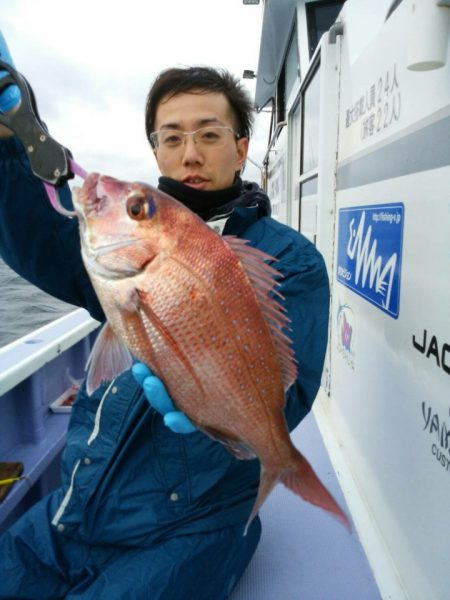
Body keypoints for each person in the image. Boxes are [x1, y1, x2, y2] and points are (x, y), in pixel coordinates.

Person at [0, 32, 330, 600]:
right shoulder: (123, 252)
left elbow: (288, 395)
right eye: (172, 138)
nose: (191, 153)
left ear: (241, 144)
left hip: (191, 524)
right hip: (76, 504)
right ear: (155, 150)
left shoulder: (291, 259)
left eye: (209, 134)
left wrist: (219, 420)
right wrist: (7, 141)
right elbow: (33, 237)